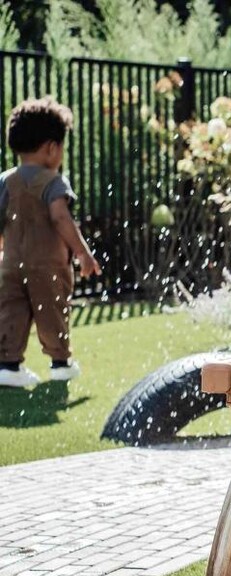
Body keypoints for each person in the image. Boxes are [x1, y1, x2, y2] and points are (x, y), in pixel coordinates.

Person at [0, 97, 101, 388]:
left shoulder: (6, 181)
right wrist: (83, 253)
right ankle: (60, 363)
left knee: (11, 310)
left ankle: (8, 365)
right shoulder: (53, 181)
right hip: (48, 265)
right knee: (52, 309)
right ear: (51, 148)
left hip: (12, 265)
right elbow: (60, 217)